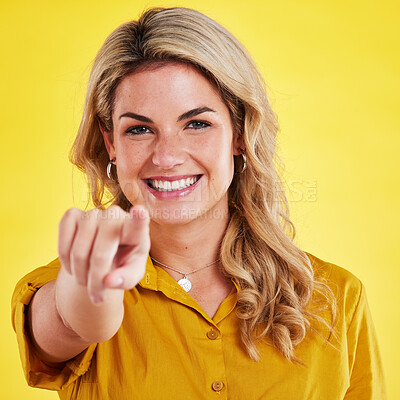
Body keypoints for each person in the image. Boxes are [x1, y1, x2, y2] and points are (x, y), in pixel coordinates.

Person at [12, 7, 386, 399]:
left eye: (197, 124)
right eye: (139, 129)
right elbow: (68, 324)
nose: (167, 156)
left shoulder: (337, 297)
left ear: (239, 134)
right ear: (112, 145)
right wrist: (89, 298)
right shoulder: (73, 277)